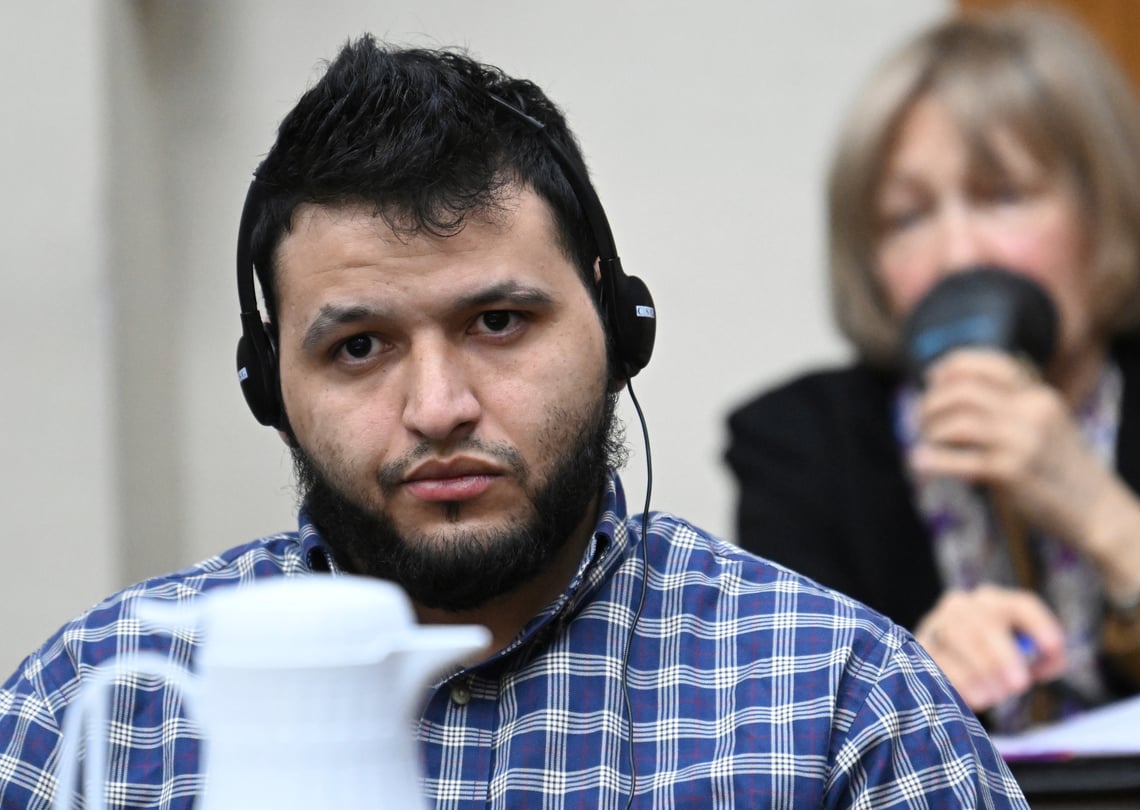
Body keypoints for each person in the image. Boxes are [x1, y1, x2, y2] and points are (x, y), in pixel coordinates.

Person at [0, 37, 1026, 809]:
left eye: (498, 322)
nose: (438, 407)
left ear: (618, 327)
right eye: (358, 347)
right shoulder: (96, 705)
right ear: (267, 383)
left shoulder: (842, 705)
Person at [727, 5, 1140, 734]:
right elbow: (772, 744)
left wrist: (1103, 516)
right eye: (906, 217)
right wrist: (902, 678)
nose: (957, 257)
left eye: (1003, 196)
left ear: (1105, 212)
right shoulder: (801, 445)